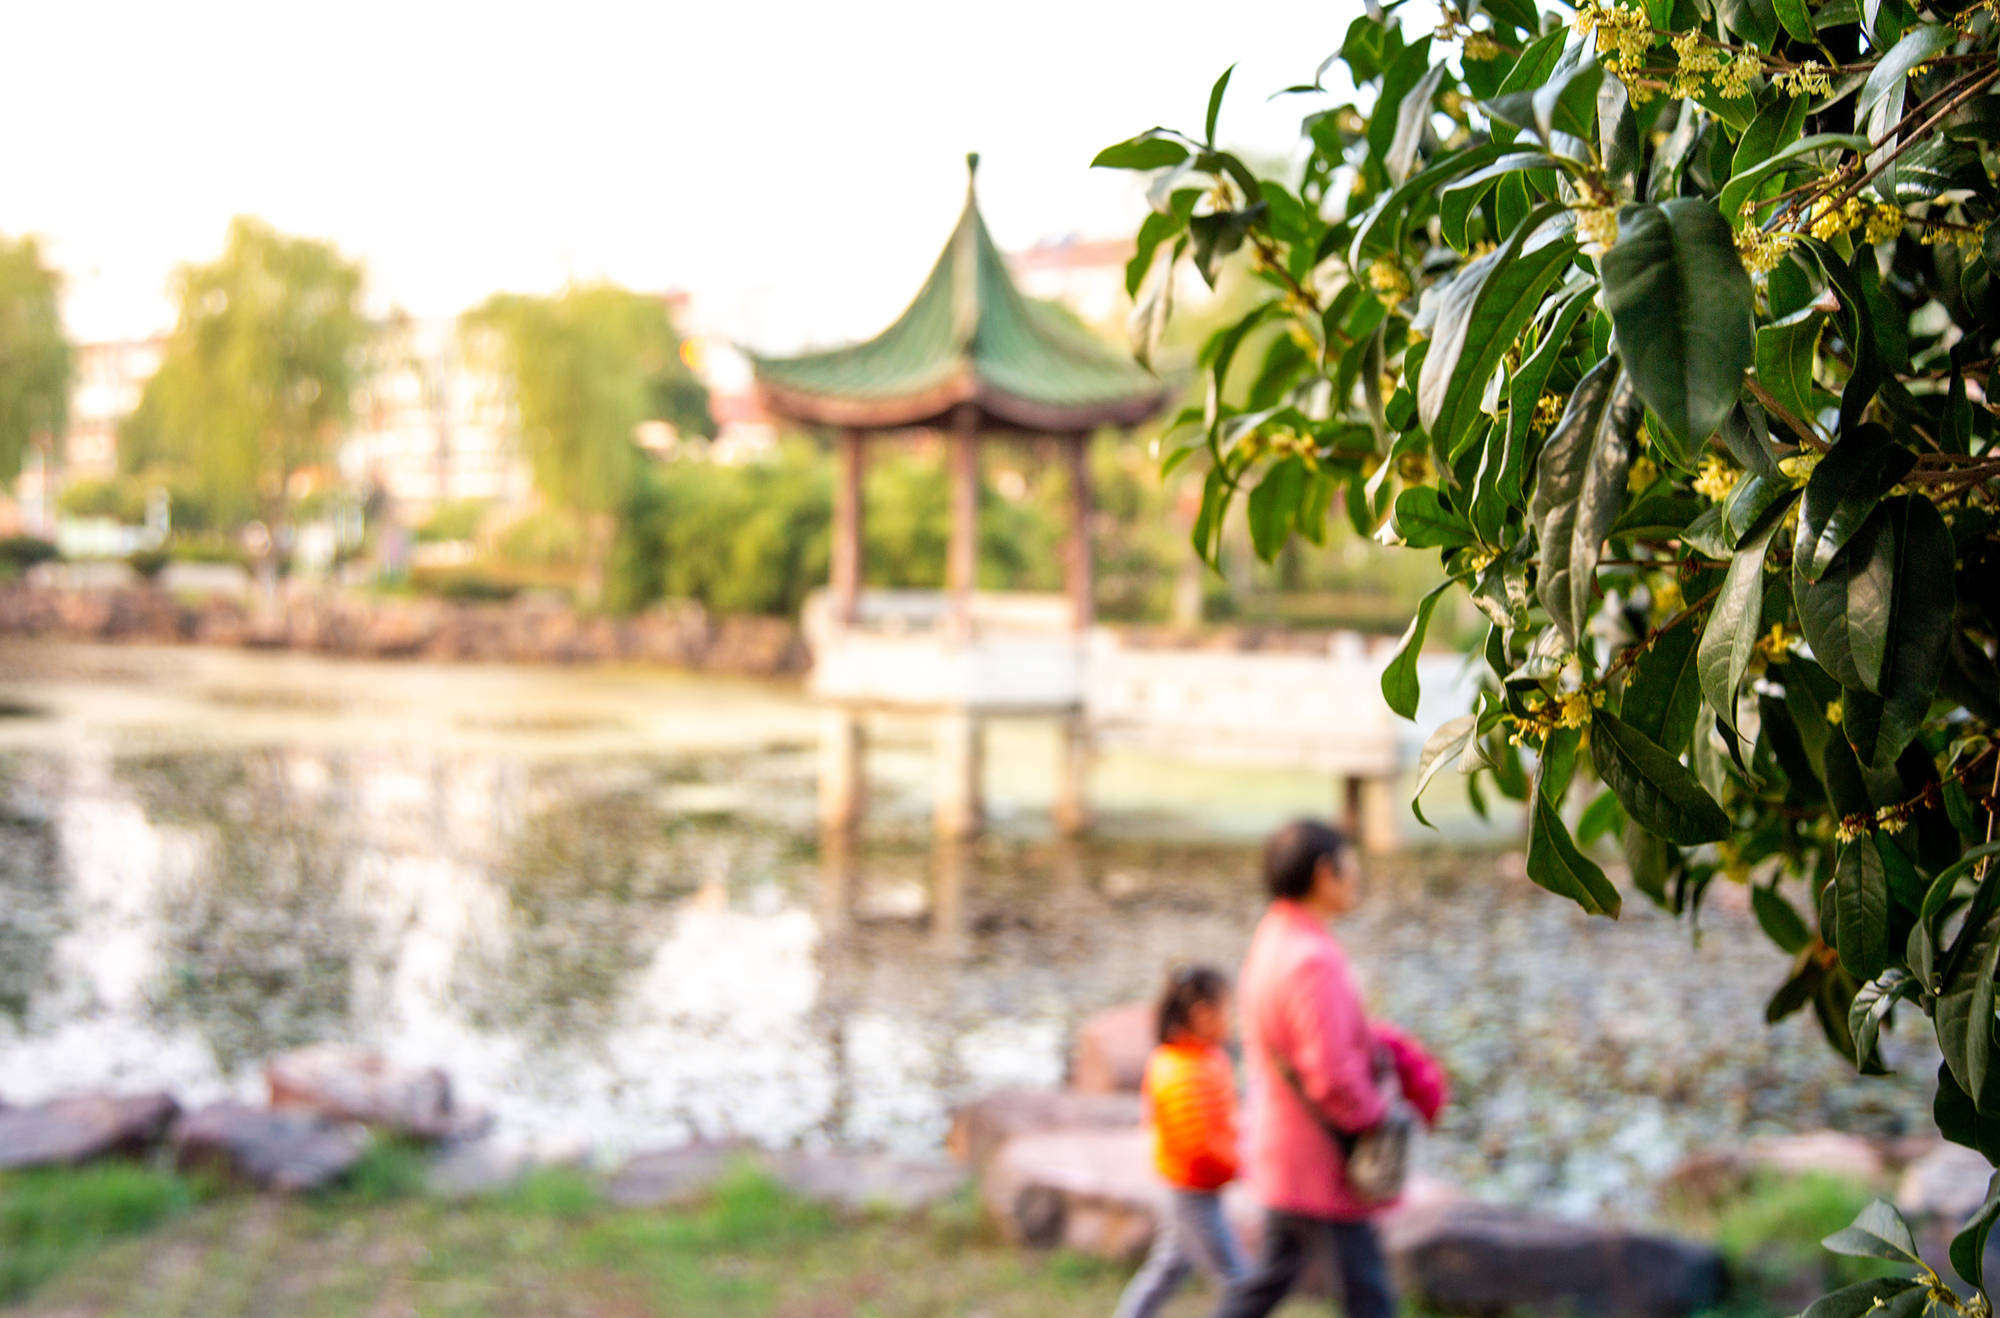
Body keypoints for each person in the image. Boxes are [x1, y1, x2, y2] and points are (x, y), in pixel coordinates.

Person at [1212, 819, 1448, 1318]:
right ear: (1325, 872)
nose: (1357, 875)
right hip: (1319, 1156)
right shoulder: (1311, 959)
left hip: (1288, 1146)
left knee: (1272, 1279)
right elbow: (1333, 1075)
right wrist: (1376, 1120)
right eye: (1350, 863)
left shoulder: (1277, 935)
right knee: (1368, 1294)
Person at [1111, 964, 1247, 1318]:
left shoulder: (1203, 1058)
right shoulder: (1180, 1070)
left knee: (1170, 1268)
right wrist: (1242, 1165)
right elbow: (1197, 1146)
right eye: (1228, 1009)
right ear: (1203, 1015)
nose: (1233, 1018)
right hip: (1191, 1190)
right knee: (1239, 1281)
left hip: (1191, 1187)